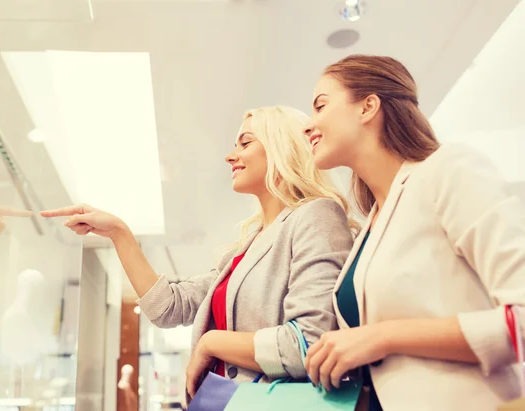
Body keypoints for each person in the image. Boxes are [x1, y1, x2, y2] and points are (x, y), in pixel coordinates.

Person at [41, 106, 355, 399]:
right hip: (227, 400)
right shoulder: (246, 249)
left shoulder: (316, 214)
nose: (231, 156)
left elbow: (309, 344)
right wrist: (119, 233)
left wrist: (211, 343)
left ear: (280, 148)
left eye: (245, 143)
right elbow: (167, 308)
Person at [303, 54, 525, 410]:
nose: (308, 125)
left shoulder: (448, 171)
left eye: (320, 105)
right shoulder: (370, 227)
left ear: (368, 107)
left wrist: (383, 337)